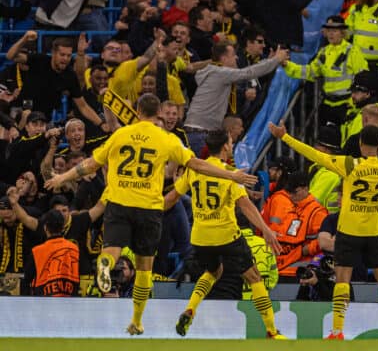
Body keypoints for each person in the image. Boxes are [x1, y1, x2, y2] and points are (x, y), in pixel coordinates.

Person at [44, 94, 257, 335]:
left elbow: (91, 164)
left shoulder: (120, 135)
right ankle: (136, 320)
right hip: (149, 208)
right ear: (158, 114)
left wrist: (63, 176)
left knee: (112, 248)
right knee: (145, 267)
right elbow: (197, 164)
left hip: (119, 202)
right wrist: (231, 175)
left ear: (136, 110)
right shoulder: (166, 138)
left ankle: (106, 263)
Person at [268, 120, 378, 340]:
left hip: (349, 232)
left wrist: (285, 137)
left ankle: (337, 331)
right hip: (375, 233)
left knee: (343, 280)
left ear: (361, 144)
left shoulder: (349, 165)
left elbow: (316, 156)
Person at [162, 129, 285, 338]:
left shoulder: (194, 169)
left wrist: (149, 212)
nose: (232, 145)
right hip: (226, 235)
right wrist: (266, 230)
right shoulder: (229, 173)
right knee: (254, 278)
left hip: (200, 237)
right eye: (230, 142)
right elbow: (245, 205)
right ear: (226, 146)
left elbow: (172, 197)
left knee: (212, 272)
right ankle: (272, 331)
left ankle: (190, 309)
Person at [184, 41, 288, 156]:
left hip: (200, 133)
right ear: (223, 58)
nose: (237, 57)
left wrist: (269, 61)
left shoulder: (216, 72)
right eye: (233, 55)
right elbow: (247, 73)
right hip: (200, 135)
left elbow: (249, 70)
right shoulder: (219, 73)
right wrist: (276, 60)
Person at [283, 16, 368, 126]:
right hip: (327, 105)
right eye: (329, 31)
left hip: (347, 106)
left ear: (343, 33)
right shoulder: (323, 52)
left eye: (334, 31)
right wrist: (288, 65)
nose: (331, 34)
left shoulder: (352, 51)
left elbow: (364, 79)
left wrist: (357, 103)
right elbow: (310, 72)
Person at [23, 210, 79, 297]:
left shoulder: (36, 251)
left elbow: (27, 279)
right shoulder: (74, 248)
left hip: (43, 304)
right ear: (63, 226)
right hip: (69, 303)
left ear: (45, 228)